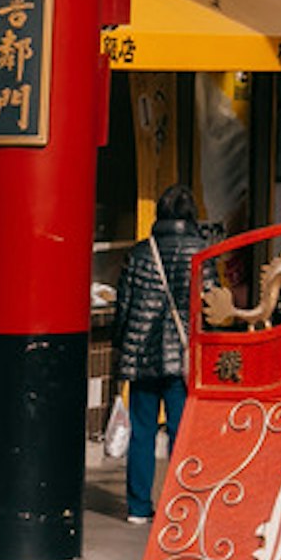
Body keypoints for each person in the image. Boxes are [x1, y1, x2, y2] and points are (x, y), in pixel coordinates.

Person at [107, 195, 199, 520]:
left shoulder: (141, 252)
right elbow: (208, 304)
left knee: (142, 431)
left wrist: (121, 348)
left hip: (142, 353)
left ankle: (137, 507)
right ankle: (179, 504)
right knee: (180, 431)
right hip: (182, 359)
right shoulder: (200, 253)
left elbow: (124, 305)